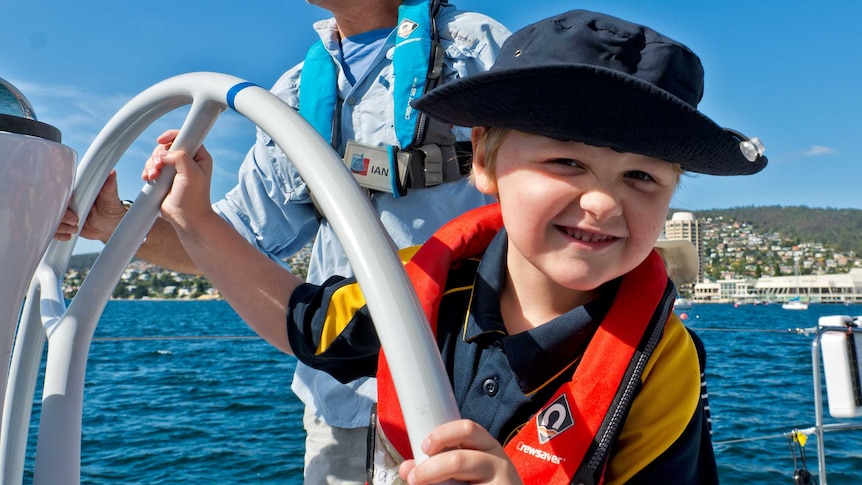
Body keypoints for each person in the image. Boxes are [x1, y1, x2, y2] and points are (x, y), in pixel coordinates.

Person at [95, 8, 770, 484]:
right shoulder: (423, 286)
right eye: (565, 163)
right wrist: (195, 221)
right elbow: (300, 316)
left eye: (642, 177)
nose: (601, 201)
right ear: (486, 162)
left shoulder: (663, 368)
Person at [56, 1, 510, 483]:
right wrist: (113, 223)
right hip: (340, 407)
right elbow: (230, 245)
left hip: (464, 402)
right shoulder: (296, 92)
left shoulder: (475, 49)